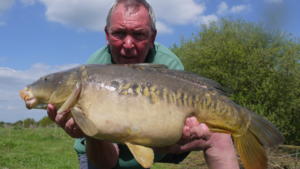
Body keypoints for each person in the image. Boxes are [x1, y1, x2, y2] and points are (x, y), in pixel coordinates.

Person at [47, 0, 240, 169]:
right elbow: (106, 162)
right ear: (107, 35)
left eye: (139, 34)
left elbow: (172, 135)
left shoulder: (168, 65)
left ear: (152, 37)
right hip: (102, 147)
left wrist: (179, 134)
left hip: (157, 141)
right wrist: (89, 132)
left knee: (219, 136)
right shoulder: (92, 71)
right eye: (119, 33)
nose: (128, 44)